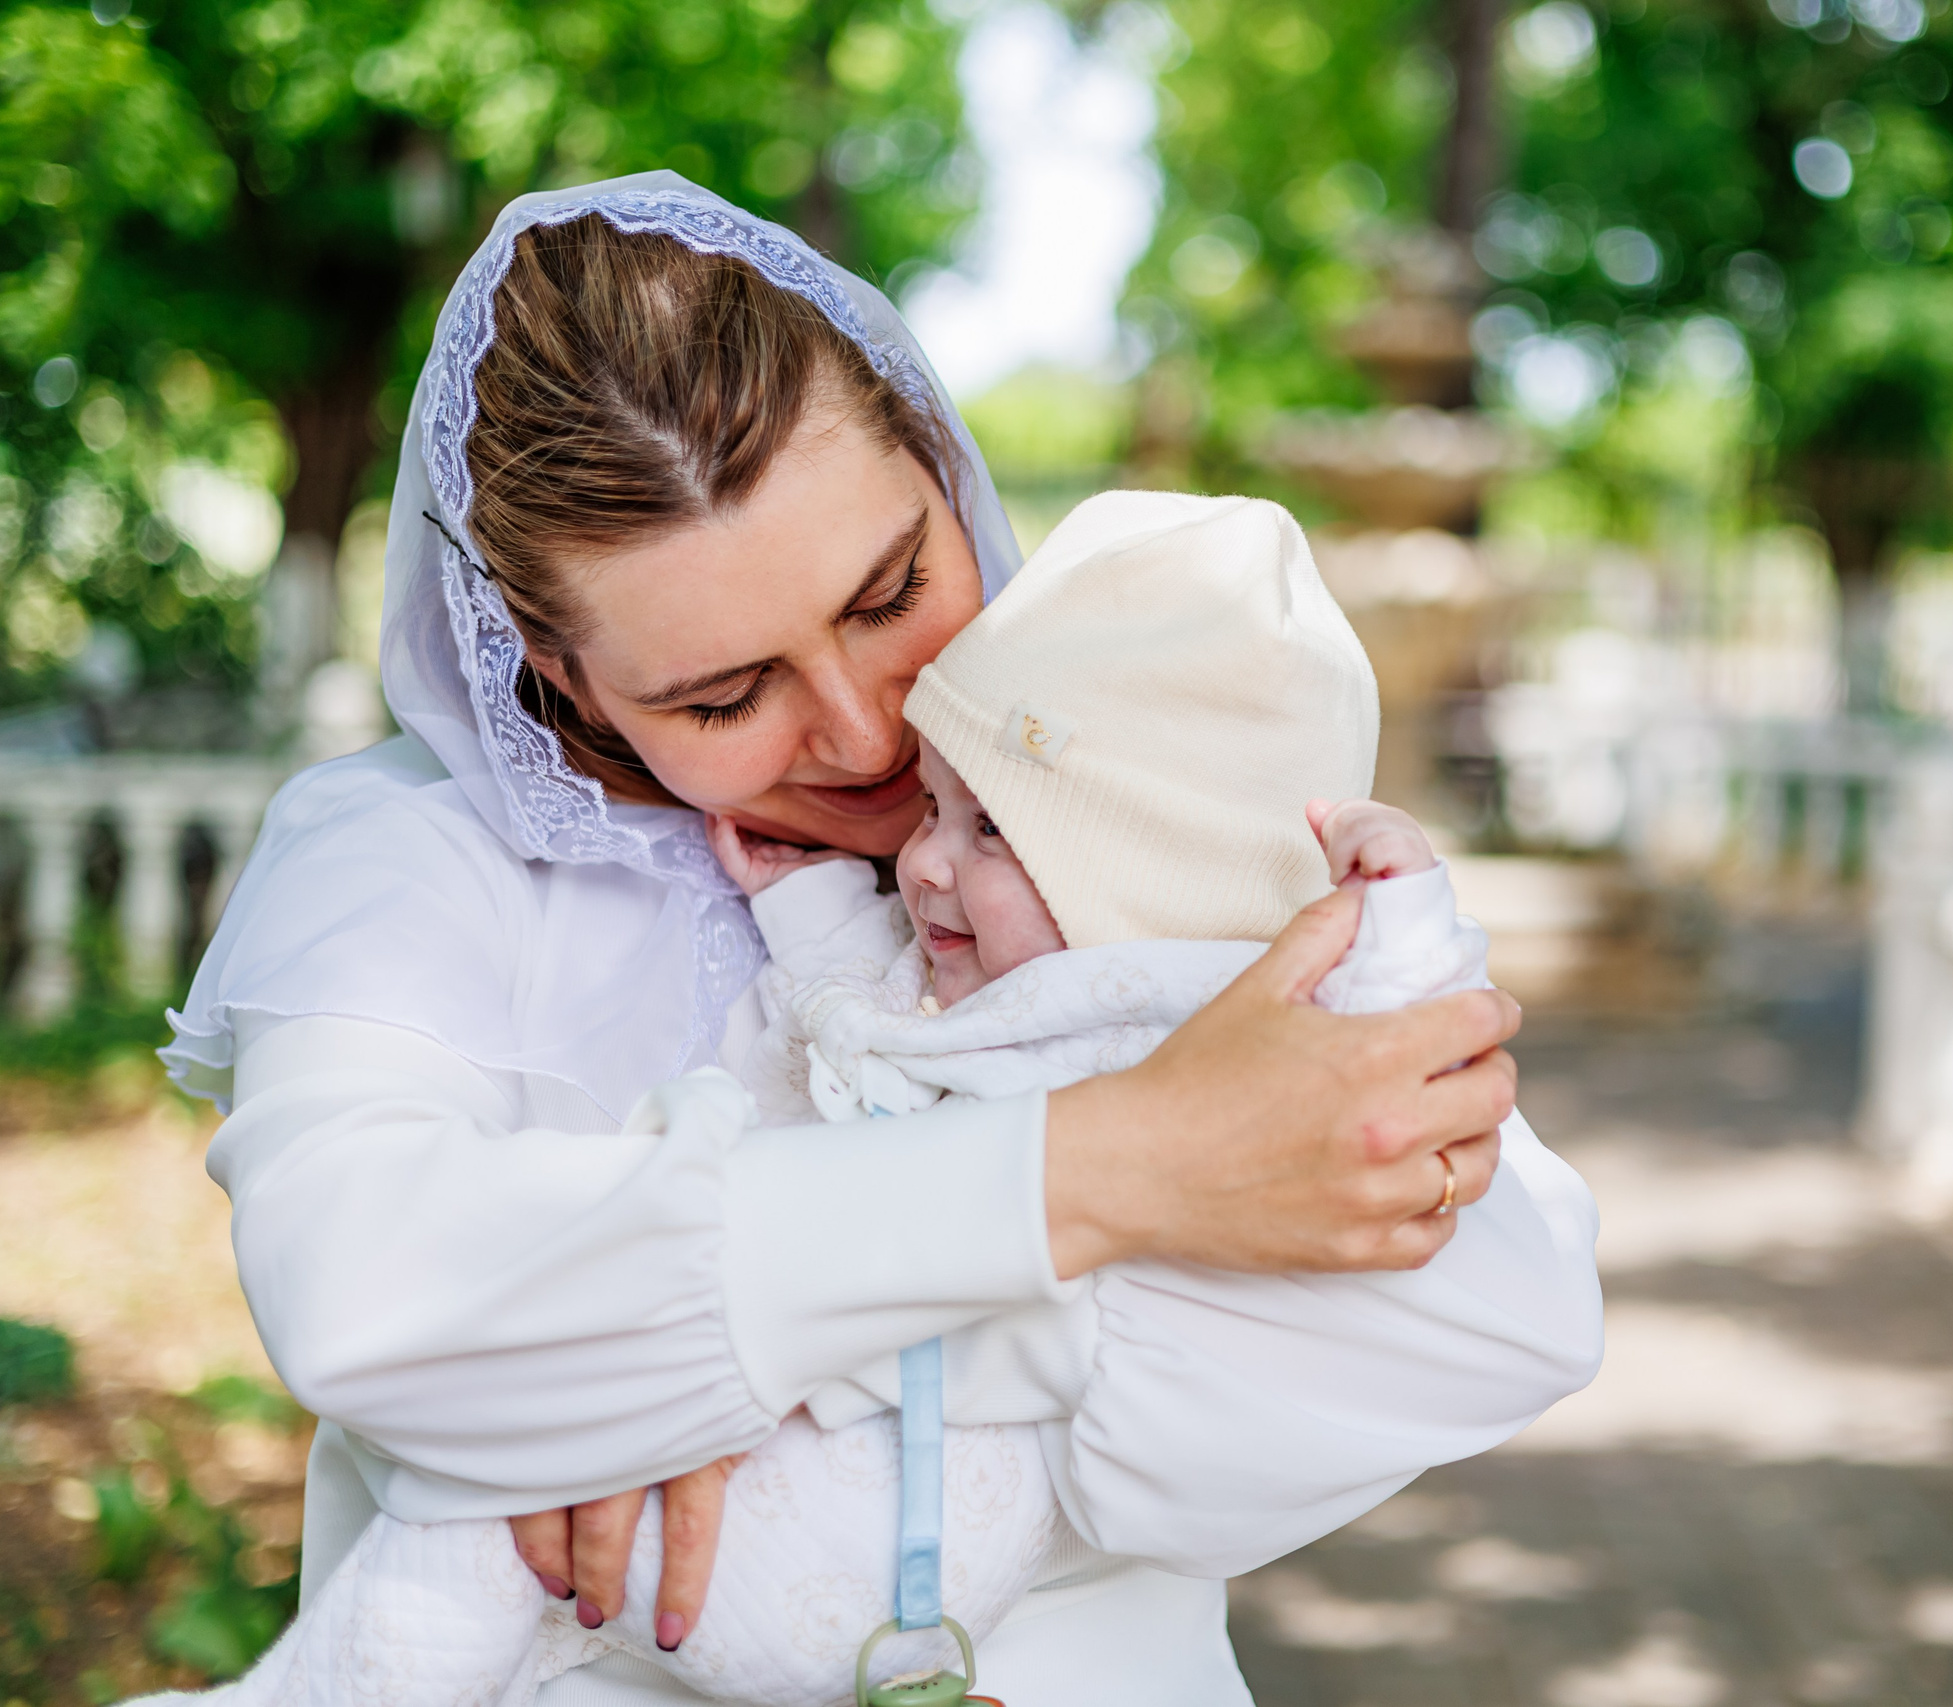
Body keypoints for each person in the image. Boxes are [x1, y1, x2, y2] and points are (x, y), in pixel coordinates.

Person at [166, 174, 1600, 1707]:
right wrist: (1125, 1169)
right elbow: (376, 1298)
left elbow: (1504, 1317)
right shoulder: (403, 862)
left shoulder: (1111, 790)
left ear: (939, 452)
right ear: (559, 672)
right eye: (720, 699)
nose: (864, 733)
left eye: (893, 591)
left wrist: (689, 1362)